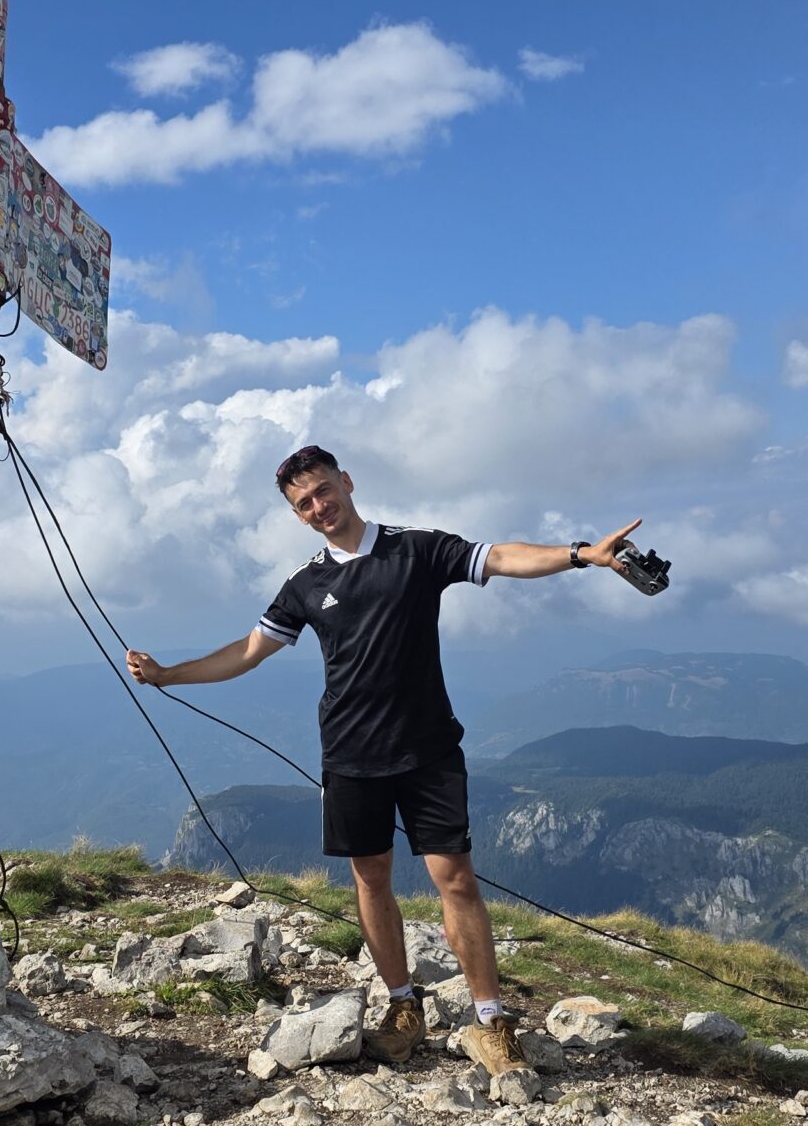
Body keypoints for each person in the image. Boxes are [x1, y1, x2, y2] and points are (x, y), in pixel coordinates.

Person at [124, 445, 642, 1077]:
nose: (318, 507)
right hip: (349, 755)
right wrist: (170, 675)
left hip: (428, 750)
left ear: (345, 481)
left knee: (456, 878)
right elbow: (250, 650)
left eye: (322, 491)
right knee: (371, 879)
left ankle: (490, 1020)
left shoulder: (416, 550)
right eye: (303, 504)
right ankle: (402, 1007)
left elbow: (500, 557)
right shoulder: (307, 585)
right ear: (298, 514)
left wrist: (581, 554)